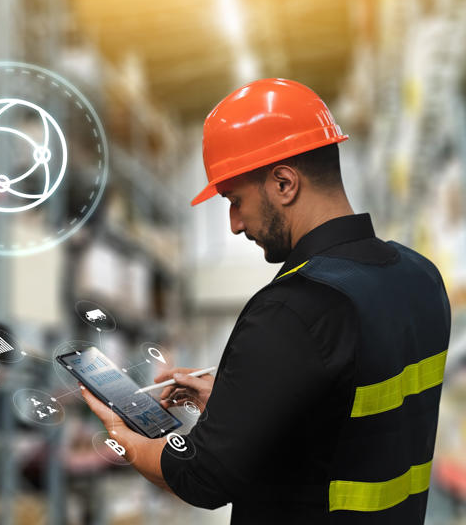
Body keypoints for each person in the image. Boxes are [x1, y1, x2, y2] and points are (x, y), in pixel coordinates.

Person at [80, 78, 451, 523]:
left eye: (235, 200)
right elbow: (351, 416)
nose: (235, 224)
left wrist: (122, 434)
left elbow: (202, 476)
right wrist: (244, 403)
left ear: (284, 183)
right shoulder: (420, 276)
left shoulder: (293, 307)